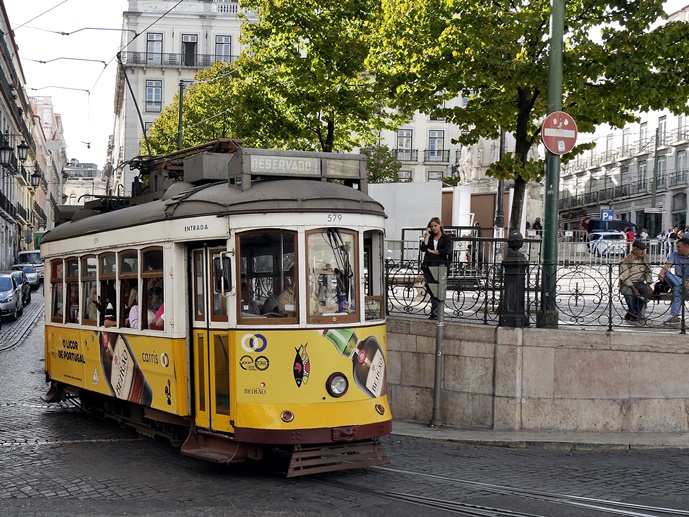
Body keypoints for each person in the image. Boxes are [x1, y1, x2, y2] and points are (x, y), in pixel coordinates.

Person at [420, 217, 452, 320]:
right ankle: (435, 311)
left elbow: (445, 251)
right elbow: (423, 248)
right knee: (431, 288)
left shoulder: (446, 238)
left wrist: (432, 251)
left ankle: (437, 311)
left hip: (441, 266)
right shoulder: (429, 237)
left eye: (435, 225)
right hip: (428, 265)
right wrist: (427, 236)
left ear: (440, 225)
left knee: (438, 289)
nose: (433, 228)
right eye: (431, 226)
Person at [618, 240, 653, 326]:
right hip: (627, 283)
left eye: (644, 250)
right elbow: (625, 277)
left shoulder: (646, 258)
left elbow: (648, 272)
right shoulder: (626, 260)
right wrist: (634, 289)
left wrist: (648, 284)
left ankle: (633, 313)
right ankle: (634, 315)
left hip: (640, 282)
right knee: (629, 293)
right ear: (634, 249)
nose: (643, 252)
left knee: (647, 293)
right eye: (640, 250)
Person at [658, 237, 689, 327]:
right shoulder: (675, 255)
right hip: (678, 281)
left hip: (685, 284)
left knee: (677, 289)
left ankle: (675, 316)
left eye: (679, 246)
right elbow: (668, 265)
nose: (677, 248)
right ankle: (681, 283)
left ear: (686, 247)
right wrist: (661, 273)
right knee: (666, 273)